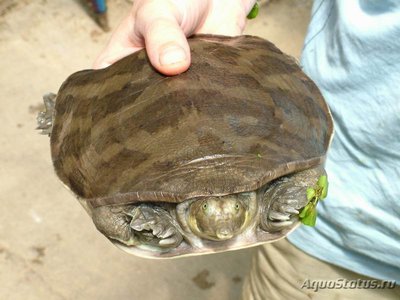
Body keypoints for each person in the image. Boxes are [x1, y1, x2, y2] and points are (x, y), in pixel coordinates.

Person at [95, 1, 400, 299]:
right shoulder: (275, 201)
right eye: (206, 209)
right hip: (343, 239)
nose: (224, 226)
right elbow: (108, 208)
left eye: (236, 209)